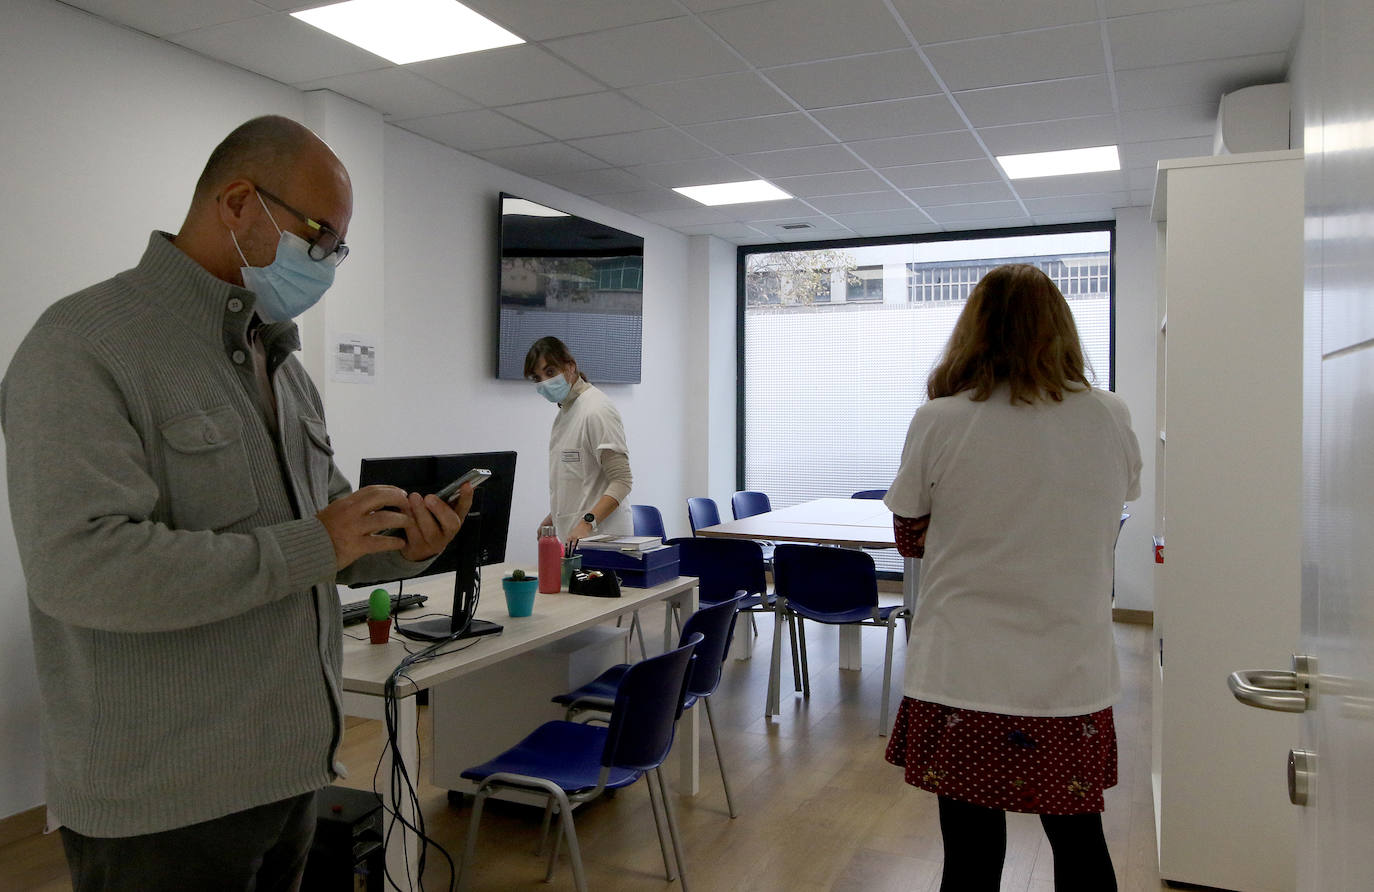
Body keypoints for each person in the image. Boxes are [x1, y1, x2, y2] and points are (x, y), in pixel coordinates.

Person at [1, 116, 470, 892]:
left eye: (337, 250)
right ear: (239, 202)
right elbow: (81, 569)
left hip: (288, 777)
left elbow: (328, 530)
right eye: (319, 238)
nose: (325, 264)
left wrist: (410, 544)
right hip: (163, 804)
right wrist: (318, 544)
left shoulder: (280, 361)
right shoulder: (81, 345)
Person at [883, 264, 1141, 891]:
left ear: (973, 332)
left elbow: (909, 537)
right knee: (1080, 840)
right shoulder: (1108, 415)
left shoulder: (941, 419)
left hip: (964, 670)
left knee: (968, 856)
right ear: (1062, 331)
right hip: (1068, 670)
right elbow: (1118, 503)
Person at [524, 336, 633, 544]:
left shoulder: (596, 410)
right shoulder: (566, 413)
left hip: (604, 538)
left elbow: (622, 481)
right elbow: (578, 481)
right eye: (537, 378)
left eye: (550, 372)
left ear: (570, 367)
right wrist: (553, 516)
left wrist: (586, 523)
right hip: (575, 537)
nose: (545, 382)